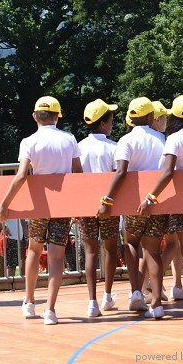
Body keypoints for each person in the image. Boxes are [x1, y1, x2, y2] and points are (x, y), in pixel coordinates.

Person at [0, 95, 81, 325]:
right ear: (57, 117)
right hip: (62, 205)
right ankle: (50, 310)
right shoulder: (69, 139)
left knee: (33, 250)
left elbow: (22, 175)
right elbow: (79, 174)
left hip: (38, 204)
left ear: (34, 116)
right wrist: (81, 206)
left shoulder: (28, 141)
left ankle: (30, 302)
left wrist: (4, 204)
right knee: (57, 256)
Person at [137, 94, 183, 319]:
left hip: (177, 202)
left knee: (158, 249)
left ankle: (173, 304)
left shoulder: (174, 139)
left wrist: (150, 198)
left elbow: (167, 171)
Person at [97, 97, 165, 313]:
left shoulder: (126, 140)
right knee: (153, 251)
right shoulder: (161, 139)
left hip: (133, 202)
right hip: (156, 200)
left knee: (132, 245)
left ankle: (136, 292)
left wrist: (108, 200)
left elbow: (121, 171)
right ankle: (157, 302)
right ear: (149, 116)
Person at [77, 98, 120, 317]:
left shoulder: (79, 147)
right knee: (111, 248)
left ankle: (92, 301)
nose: (112, 124)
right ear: (103, 123)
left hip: (86, 206)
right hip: (109, 205)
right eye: (111, 120)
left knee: (90, 251)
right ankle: (107, 295)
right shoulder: (113, 147)